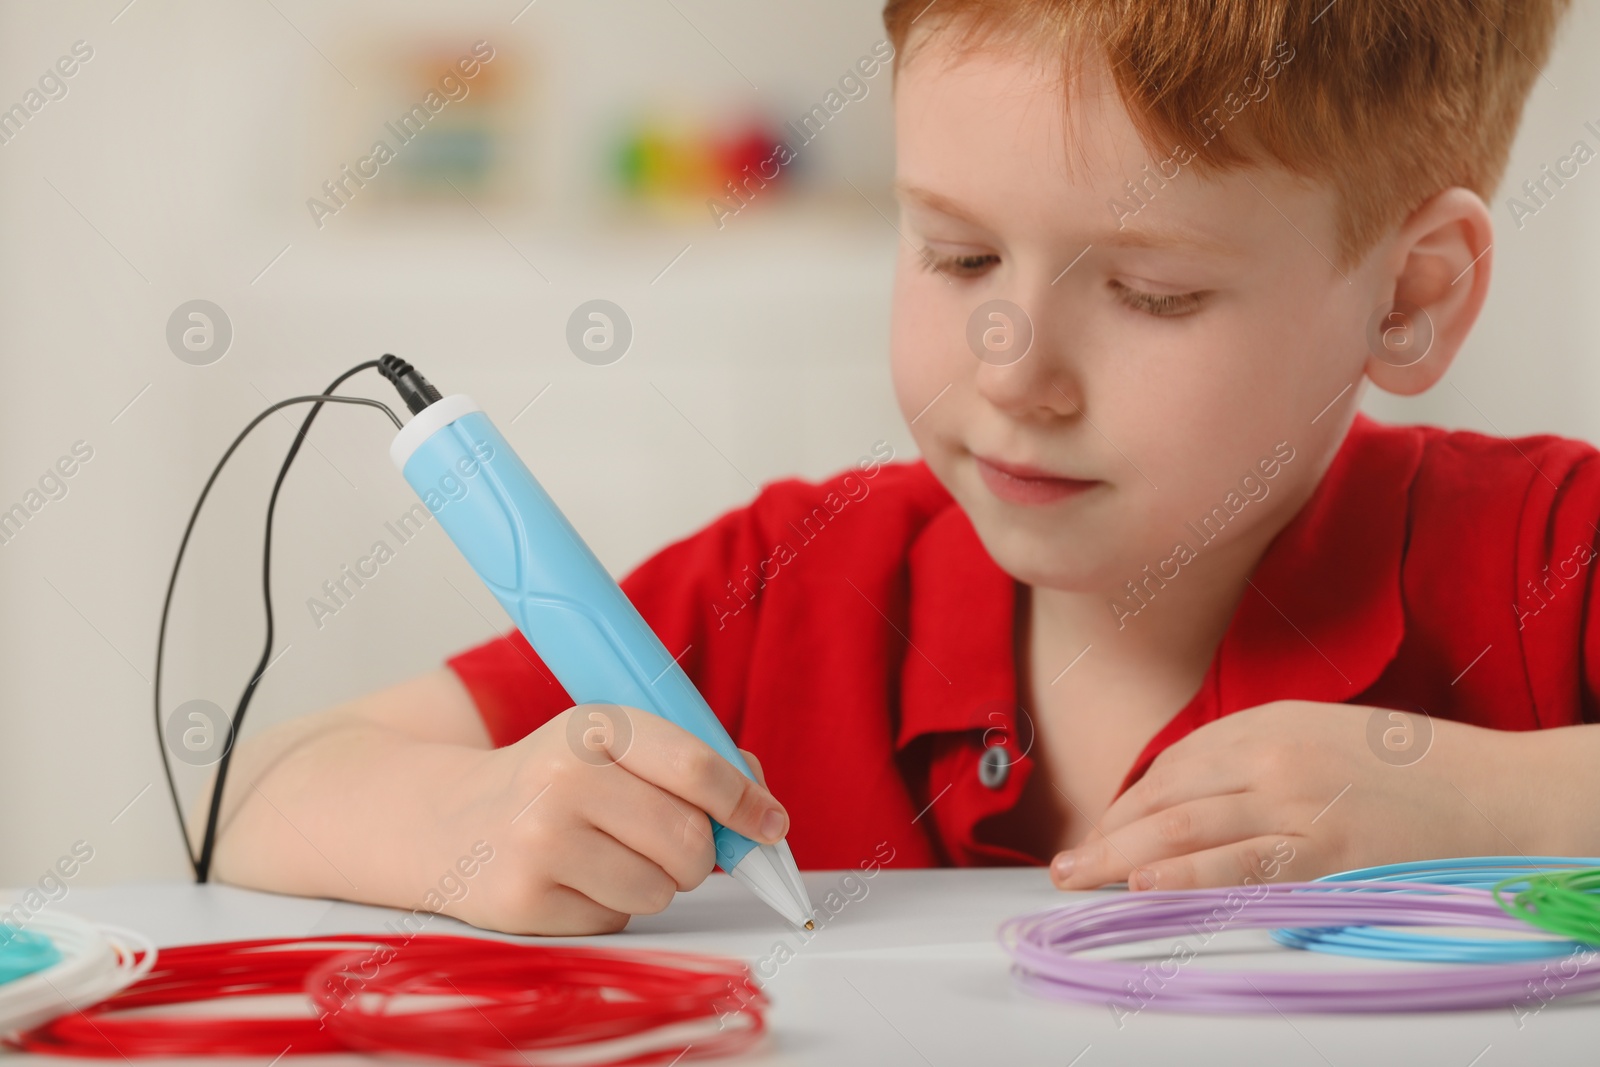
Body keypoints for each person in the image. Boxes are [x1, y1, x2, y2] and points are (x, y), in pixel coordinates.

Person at [206, 0, 1600, 935]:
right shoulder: (789, 586)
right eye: (958, 256)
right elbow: (265, 790)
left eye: (1156, 293)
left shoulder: (1542, 555)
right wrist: (469, 823)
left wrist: (1487, 807)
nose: (1012, 370)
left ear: (1409, 294)